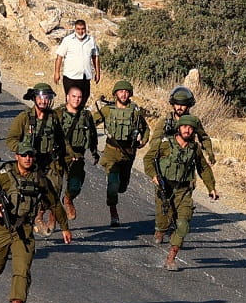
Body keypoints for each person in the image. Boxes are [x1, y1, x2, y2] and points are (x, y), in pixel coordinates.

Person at [0, 147, 71, 303]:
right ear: (17, 156)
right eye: (24, 155)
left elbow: (54, 203)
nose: (28, 158)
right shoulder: (5, 175)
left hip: (25, 231)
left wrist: (65, 227)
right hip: (2, 229)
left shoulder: (39, 179)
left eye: (31, 155)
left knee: (22, 270)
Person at [143, 113, 218, 270]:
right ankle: (160, 230)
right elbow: (148, 159)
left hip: (183, 191)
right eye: (184, 127)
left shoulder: (194, 149)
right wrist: (154, 176)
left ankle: (171, 257)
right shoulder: (165, 144)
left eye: (191, 128)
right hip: (165, 187)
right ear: (179, 128)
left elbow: (203, 167)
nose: (188, 130)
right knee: (163, 220)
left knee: (183, 224)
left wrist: (211, 187)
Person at [5, 83, 68, 234]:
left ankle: (40, 216)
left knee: (54, 189)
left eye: (47, 98)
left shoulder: (53, 117)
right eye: (40, 97)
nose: (43, 101)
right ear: (34, 99)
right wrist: (24, 150)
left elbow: (61, 139)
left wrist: (65, 159)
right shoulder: (24, 118)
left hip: (49, 162)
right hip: (31, 162)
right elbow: (11, 140)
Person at [93, 80, 149, 227]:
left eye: (126, 92)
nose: (123, 94)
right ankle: (113, 213)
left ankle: (118, 191)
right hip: (111, 152)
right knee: (113, 184)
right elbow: (91, 121)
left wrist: (143, 141)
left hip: (128, 154)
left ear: (130, 94)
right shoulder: (107, 110)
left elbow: (145, 129)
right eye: (120, 91)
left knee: (122, 187)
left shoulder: (135, 111)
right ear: (115, 94)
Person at [54, 83, 97, 223]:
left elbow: (92, 134)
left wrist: (94, 151)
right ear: (67, 97)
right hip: (58, 155)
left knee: (75, 184)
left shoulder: (86, 115)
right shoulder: (58, 114)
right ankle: (47, 214)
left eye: (79, 97)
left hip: (77, 155)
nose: (76, 99)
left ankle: (68, 199)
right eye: (73, 96)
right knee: (54, 187)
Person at [51, 17, 98, 105]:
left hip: (85, 77)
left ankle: (80, 117)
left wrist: (97, 73)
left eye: (83, 29)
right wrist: (57, 73)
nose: (81, 31)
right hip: (70, 77)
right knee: (71, 101)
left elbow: (95, 56)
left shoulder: (91, 40)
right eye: (78, 29)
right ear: (75, 29)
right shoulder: (68, 40)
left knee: (84, 98)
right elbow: (59, 56)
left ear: (86, 29)